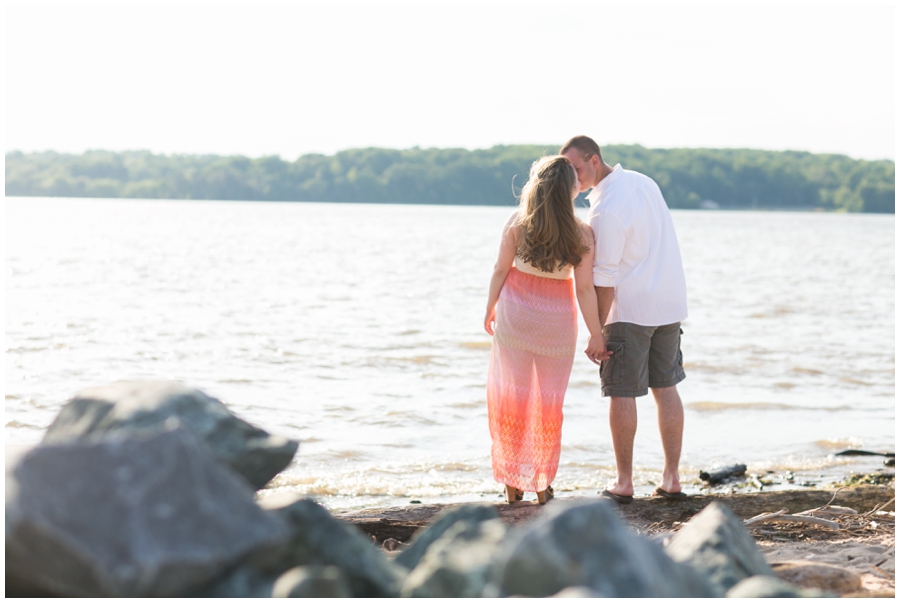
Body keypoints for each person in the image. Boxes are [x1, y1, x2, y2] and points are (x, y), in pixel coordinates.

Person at [561, 135, 688, 503]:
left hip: (630, 309)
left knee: (621, 393)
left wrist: (596, 332)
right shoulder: (643, 181)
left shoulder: (605, 210)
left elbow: (605, 279)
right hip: (668, 302)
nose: (573, 176)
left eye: (577, 168)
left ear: (594, 160)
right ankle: (672, 478)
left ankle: (624, 482)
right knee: (666, 388)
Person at [484, 155, 609, 505]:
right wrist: (596, 333)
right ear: (572, 190)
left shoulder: (518, 221)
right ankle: (541, 486)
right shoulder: (582, 232)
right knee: (547, 404)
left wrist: (489, 306)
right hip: (556, 325)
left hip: (516, 318)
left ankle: (512, 486)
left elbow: (499, 269)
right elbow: (585, 289)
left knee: (513, 398)